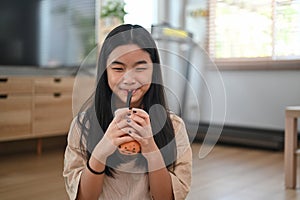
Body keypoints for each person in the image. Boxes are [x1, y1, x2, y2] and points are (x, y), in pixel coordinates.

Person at [63, 24, 192, 200]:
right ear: (104, 72)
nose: (129, 79)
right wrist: (101, 150)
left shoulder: (174, 126)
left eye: (140, 68)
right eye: (118, 69)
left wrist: (150, 148)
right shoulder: (83, 125)